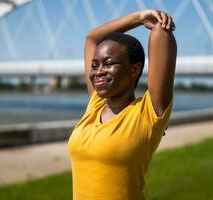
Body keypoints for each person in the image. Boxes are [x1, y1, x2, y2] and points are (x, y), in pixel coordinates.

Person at [68, 9, 177, 200]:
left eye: (108, 63)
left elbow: (161, 33)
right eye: (95, 65)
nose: (98, 72)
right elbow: (92, 38)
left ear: (134, 69)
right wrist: (138, 17)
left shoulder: (148, 113)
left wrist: (159, 23)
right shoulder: (96, 104)